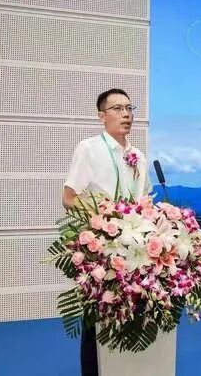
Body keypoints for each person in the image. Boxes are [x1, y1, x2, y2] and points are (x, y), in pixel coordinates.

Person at [62, 88, 149, 376]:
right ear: (102, 116)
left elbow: (142, 201)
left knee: (132, 316)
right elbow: (69, 198)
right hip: (102, 249)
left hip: (135, 248)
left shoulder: (138, 156)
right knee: (97, 318)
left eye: (129, 108)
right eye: (118, 108)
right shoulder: (89, 148)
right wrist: (101, 219)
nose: (126, 114)